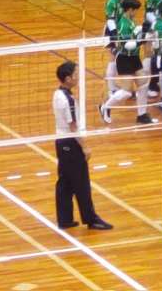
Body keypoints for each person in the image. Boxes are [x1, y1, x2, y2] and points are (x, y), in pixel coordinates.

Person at [53, 61, 113, 230]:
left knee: (65, 182)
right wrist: (84, 147)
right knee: (81, 183)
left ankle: (64, 219)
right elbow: (73, 126)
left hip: (60, 141)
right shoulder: (68, 100)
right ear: (67, 78)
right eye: (75, 75)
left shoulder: (57, 93)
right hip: (70, 143)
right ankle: (91, 219)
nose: (78, 77)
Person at [100, 0, 157, 125]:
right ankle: (105, 107)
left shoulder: (130, 21)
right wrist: (142, 41)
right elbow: (126, 45)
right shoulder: (123, 24)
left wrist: (143, 31)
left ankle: (142, 115)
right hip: (124, 58)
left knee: (143, 83)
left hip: (134, 57)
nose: (136, 13)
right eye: (135, 10)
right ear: (130, 10)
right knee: (126, 91)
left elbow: (135, 36)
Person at [104, 0, 134, 98]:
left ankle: (118, 87)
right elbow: (110, 20)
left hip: (123, 31)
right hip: (113, 32)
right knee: (112, 59)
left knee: (119, 60)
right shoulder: (112, 2)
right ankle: (111, 89)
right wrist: (115, 34)